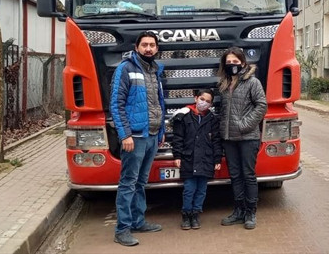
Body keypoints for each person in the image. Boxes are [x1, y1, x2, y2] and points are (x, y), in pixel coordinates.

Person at [110, 31, 166, 246]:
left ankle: (138, 221)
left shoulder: (155, 71)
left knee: (141, 182)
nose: (149, 48)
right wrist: (125, 134)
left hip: (151, 135)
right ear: (137, 47)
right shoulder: (126, 69)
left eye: (152, 45)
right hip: (135, 136)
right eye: (145, 45)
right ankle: (122, 229)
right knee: (128, 183)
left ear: (157, 49)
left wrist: (160, 132)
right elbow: (117, 104)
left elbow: (158, 104)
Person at [216, 47, 266, 230]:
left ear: (243, 63)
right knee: (235, 176)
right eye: (228, 63)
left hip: (248, 137)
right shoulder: (223, 84)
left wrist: (244, 125)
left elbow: (261, 105)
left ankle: (250, 212)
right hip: (229, 138)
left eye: (235, 62)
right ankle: (238, 211)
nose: (232, 65)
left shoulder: (252, 82)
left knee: (248, 175)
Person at [170, 89, 222, 231]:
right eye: (202, 99)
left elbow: (216, 141)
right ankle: (186, 215)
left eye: (208, 101)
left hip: (206, 159)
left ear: (211, 104)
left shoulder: (212, 119)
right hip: (189, 159)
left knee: (201, 190)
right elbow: (178, 138)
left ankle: (196, 214)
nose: (204, 103)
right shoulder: (184, 116)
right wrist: (177, 156)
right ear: (196, 98)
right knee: (189, 189)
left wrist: (217, 159)